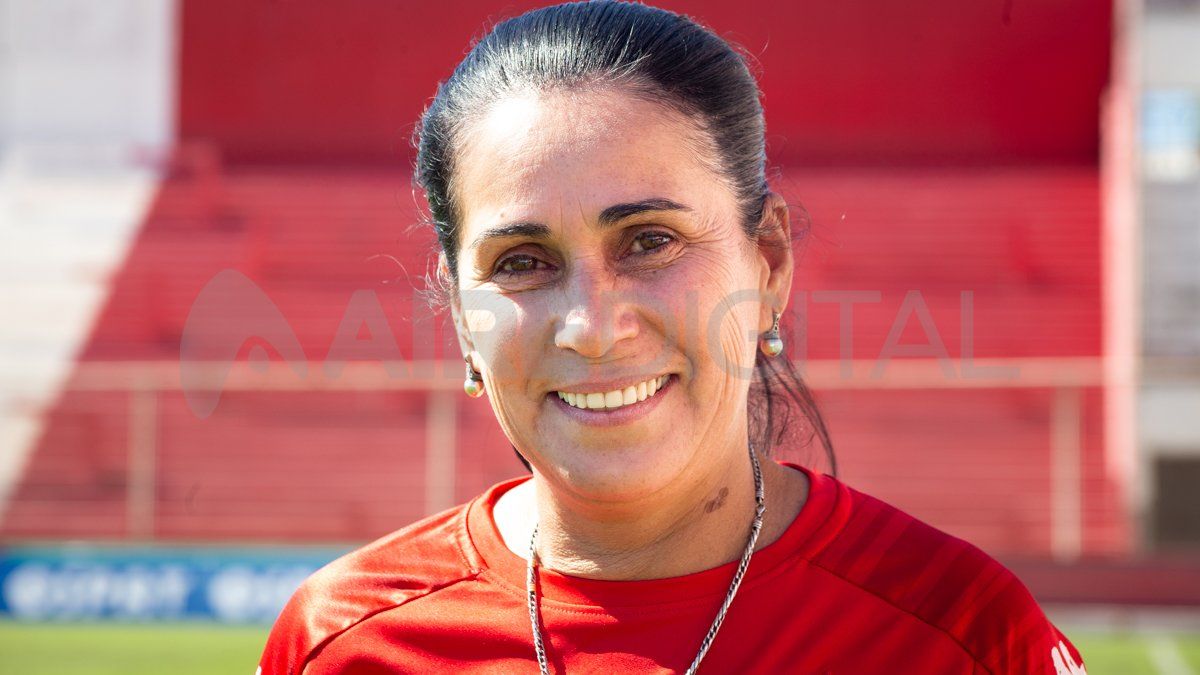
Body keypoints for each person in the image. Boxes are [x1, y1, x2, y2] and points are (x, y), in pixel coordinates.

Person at [258, 2, 1089, 673]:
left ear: (765, 264)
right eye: (521, 260)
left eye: (650, 240)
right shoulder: (342, 644)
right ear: (460, 314)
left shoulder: (961, 638)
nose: (591, 326)